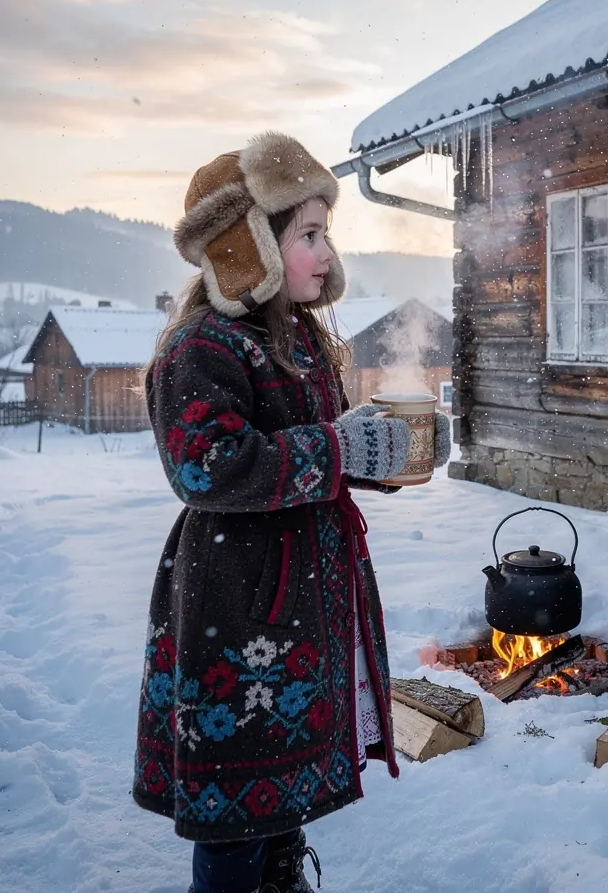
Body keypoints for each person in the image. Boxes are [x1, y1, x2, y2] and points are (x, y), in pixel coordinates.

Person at [132, 132, 451, 893]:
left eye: (325, 233)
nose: (326, 252)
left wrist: (393, 451)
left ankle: (281, 876)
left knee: (281, 782)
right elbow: (206, 466)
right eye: (308, 234)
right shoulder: (203, 346)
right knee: (238, 789)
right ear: (250, 246)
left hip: (303, 594)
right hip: (239, 598)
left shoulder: (298, 337)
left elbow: (324, 449)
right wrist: (341, 450)